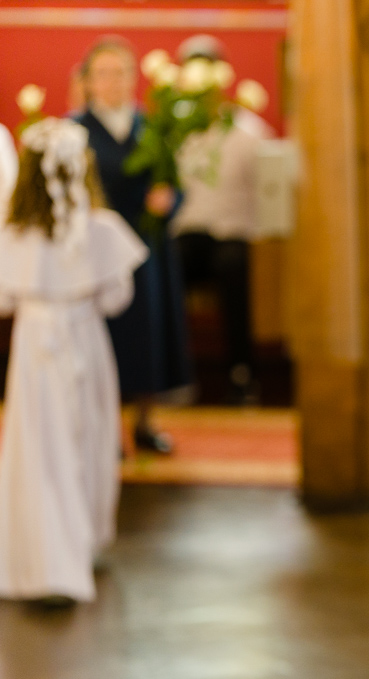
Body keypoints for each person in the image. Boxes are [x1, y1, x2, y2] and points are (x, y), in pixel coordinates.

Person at [0, 118, 147, 604]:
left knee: (38, 448)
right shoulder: (101, 230)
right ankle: (82, 541)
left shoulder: (12, 234)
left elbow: (3, 302)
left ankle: (40, 556)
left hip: (34, 349)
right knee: (89, 435)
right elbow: (115, 299)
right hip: (84, 340)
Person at [76, 37, 191, 454]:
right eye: (103, 73)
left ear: (134, 78)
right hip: (98, 252)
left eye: (121, 71)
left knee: (149, 333)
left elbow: (176, 185)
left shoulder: (152, 127)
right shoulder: (75, 131)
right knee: (106, 338)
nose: (112, 81)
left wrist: (168, 200)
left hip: (147, 248)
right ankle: (105, 428)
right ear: (88, 81)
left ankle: (144, 422)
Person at [171, 34, 272, 404]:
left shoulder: (247, 128)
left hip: (232, 233)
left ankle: (241, 374)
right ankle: (177, 376)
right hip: (188, 233)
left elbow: (269, 187)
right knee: (168, 267)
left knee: (233, 265)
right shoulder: (172, 128)